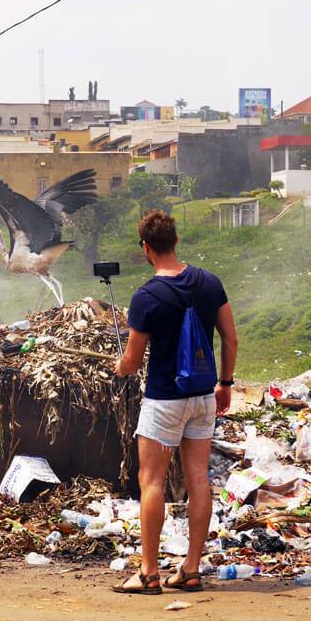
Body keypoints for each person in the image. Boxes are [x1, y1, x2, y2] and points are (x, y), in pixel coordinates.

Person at [112, 210, 238, 595]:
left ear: (146, 248)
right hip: (202, 397)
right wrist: (225, 384)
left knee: (151, 480)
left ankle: (149, 573)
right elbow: (230, 339)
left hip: (164, 400)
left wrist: (120, 367)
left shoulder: (146, 297)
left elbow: (132, 363)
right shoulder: (209, 283)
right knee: (199, 478)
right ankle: (191, 569)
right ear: (176, 240)